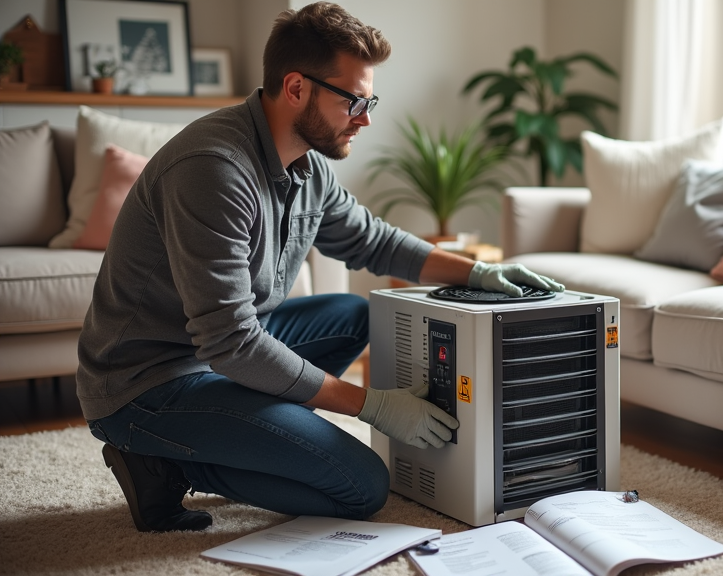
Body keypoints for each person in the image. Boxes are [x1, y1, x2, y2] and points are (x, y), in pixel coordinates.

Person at [76, 2, 563, 534]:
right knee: (360, 487)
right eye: (354, 100)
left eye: (369, 99)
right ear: (295, 88)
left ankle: (248, 425)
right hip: (146, 383)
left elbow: (373, 241)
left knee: (354, 314)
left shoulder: (308, 167)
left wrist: (476, 274)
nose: (366, 117)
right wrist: (370, 405)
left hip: (217, 356)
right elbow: (231, 343)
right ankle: (161, 462)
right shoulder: (212, 170)